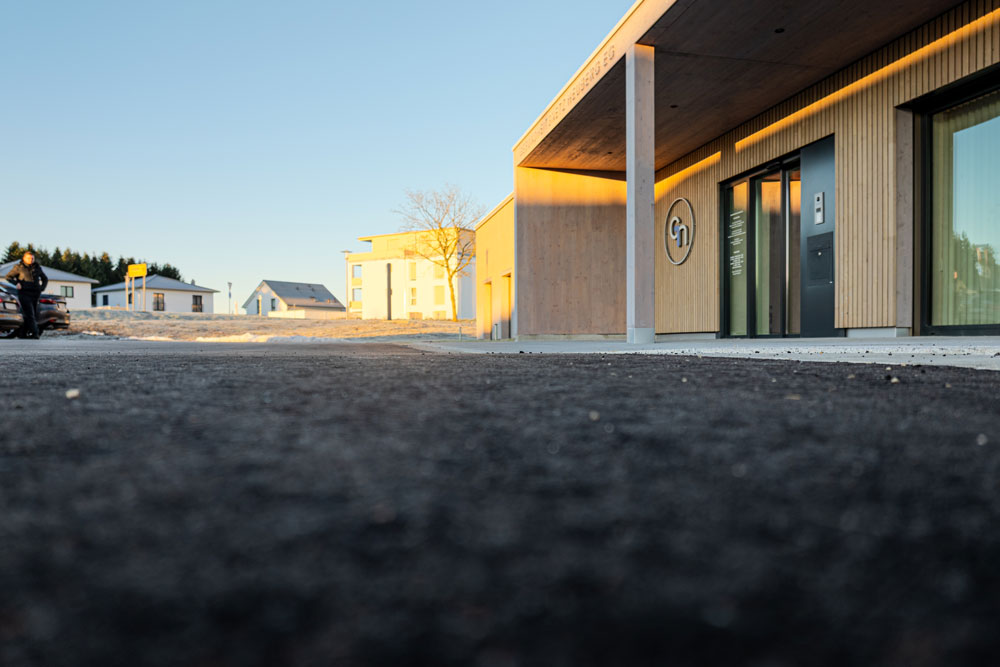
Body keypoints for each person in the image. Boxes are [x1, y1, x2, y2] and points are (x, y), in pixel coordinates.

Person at [5, 251, 48, 339]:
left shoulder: (37, 267)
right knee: (30, 313)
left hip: (35, 294)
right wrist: (16, 283)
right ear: (24, 258)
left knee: (30, 314)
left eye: (32, 258)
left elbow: (45, 279)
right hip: (24, 293)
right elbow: (8, 277)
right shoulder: (18, 267)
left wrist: (41, 288)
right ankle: (35, 333)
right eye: (29, 258)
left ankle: (22, 333)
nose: (31, 260)